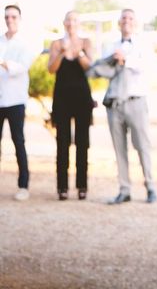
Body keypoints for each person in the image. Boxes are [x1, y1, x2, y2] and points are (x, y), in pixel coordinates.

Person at [93, 9, 157, 205]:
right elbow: (101, 69)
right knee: (119, 149)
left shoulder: (143, 45)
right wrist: (112, 60)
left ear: (135, 23)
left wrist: (125, 59)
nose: (126, 21)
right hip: (114, 103)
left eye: (130, 18)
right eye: (123, 19)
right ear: (119, 23)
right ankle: (124, 189)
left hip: (136, 101)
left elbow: (145, 65)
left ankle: (150, 186)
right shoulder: (110, 46)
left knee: (142, 146)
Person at [48, 10, 94, 201]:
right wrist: (62, 53)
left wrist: (79, 53)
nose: (71, 23)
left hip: (82, 99)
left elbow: (90, 67)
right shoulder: (56, 44)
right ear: (64, 23)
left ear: (79, 23)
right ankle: (62, 187)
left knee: (82, 143)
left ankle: (82, 186)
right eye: (68, 20)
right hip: (62, 99)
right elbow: (51, 69)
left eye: (75, 20)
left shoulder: (86, 42)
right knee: (62, 143)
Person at [0, 4, 36, 201]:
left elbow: (20, 68)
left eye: (13, 16)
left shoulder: (25, 44)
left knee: (18, 142)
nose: (10, 20)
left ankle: (23, 185)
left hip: (15, 101)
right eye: (7, 16)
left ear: (19, 19)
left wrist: (3, 63)